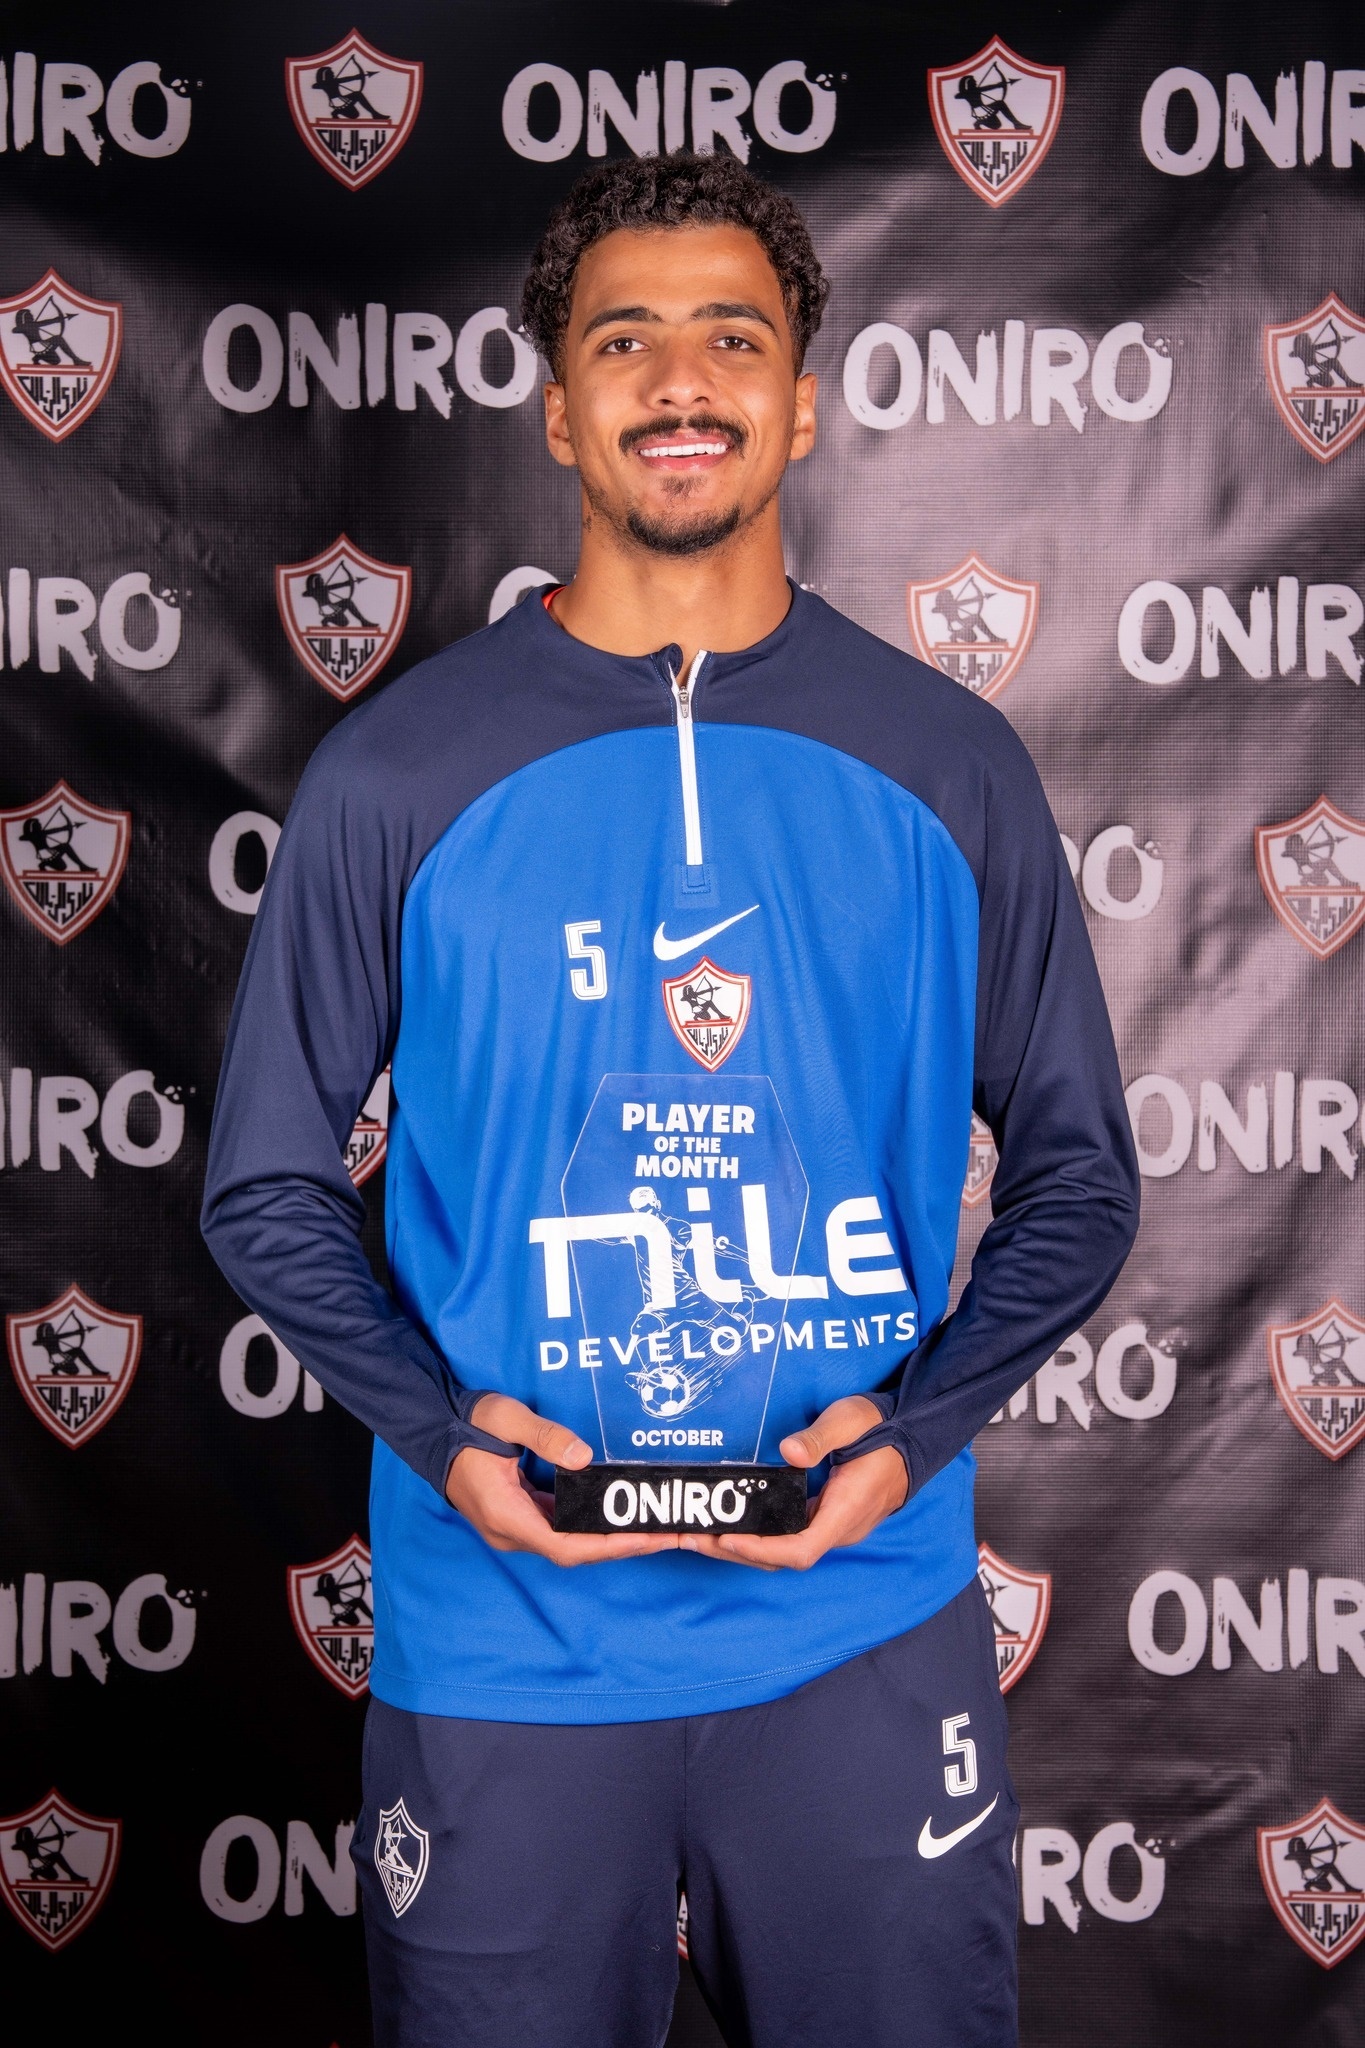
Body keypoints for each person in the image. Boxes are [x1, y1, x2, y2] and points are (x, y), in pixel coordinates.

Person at [202, 151, 1139, 2048]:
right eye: (623, 341)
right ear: (559, 407)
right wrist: (447, 1440)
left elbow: (1078, 1181)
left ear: (802, 398)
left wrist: (912, 1437)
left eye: (733, 336)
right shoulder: (400, 769)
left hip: (856, 1627)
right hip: (508, 1640)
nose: (681, 379)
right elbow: (266, 1185)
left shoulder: (947, 763)